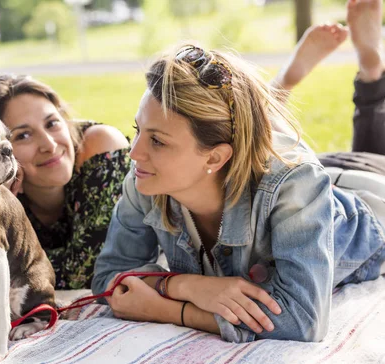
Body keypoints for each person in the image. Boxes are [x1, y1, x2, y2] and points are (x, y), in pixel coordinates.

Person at [92, 0, 385, 343]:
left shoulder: (297, 182)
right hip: (279, 165)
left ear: (214, 158)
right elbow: (108, 278)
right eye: (137, 130)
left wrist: (170, 309)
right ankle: (279, 89)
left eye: (157, 141)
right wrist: (185, 284)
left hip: (367, 195)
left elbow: (301, 320)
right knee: (246, 129)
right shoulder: (146, 177)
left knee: (369, 154)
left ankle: (371, 69)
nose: (134, 153)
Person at [0, 74, 130, 320]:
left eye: (52, 123)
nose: (49, 144)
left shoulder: (102, 147)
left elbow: (90, 267)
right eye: (23, 136)